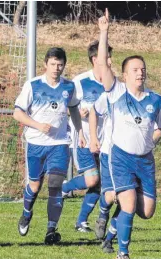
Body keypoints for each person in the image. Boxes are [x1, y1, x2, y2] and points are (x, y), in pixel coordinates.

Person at [97, 9, 161, 259]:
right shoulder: (116, 92)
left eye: (142, 69)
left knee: (147, 211)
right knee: (129, 204)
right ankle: (123, 254)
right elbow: (101, 66)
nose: (140, 73)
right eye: (135, 69)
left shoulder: (156, 100)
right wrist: (104, 32)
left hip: (145, 160)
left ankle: (112, 231)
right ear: (125, 75)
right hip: (120, 157)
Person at [14, 47, 86, 244]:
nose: (57, 68)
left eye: (60, 64)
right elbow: (17, 113)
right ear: (45, 64)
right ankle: (27, 213)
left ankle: (50, 230)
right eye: (53, 64)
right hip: (36, 144)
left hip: (60, 144)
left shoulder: (69, 87)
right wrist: (37, 125)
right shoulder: (33, 85)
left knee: (55, 185)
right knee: (35, 186)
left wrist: (79, 132)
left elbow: (74, 110)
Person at [89, 93, 161, 253]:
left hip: (137, 160)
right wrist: (93, 137)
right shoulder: (112, 96)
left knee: (129, 201)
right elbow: (94, 111)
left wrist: (145, 143)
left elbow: (159, 130)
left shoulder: (148, 102)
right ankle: (103, 213)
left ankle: (109, 240)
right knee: (112, 196)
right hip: (111, 154)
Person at [61, 40, 113, 233]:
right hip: (83, 138)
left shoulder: (112, 83)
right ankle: (64, 188)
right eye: (107, 56)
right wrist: (76, 113)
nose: (110, 60)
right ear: (95, 59)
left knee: (99, 183)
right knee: (92, 179)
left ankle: (81, 221)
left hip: (105, 141)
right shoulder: (81, 81)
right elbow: (67, 107)